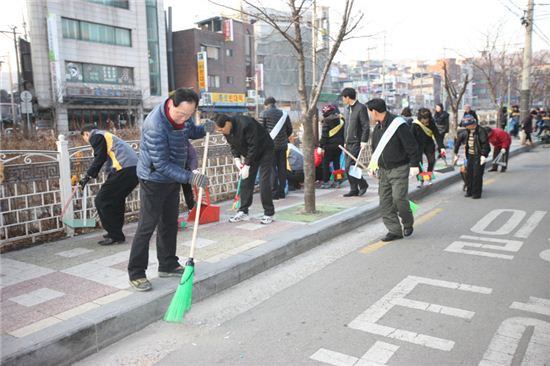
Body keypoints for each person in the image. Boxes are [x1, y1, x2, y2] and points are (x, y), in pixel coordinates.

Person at [127, 88, 213, 292]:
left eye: (189, 115)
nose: (184, 119)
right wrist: (190, 176)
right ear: (170, 104)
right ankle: (136, 273)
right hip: (154, 178)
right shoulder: (155, 125)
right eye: (181, 114)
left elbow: (189, 131)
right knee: (147, 226)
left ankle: (167, 264)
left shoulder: (184, 115)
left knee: (169, 223)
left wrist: (203, 129)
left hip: (173, 177)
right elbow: (162, 164)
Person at [367, 98, 421, 242]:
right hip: (383, 171)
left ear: (374, 111)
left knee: (399, 200)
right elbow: (375, 149)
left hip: (399, 168)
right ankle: (394, 230)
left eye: (370, 112)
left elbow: (412, 146)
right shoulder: (377, 128)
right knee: (385, 203)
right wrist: (373, 165)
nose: (370, 115)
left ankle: (408, 222)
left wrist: (415, 164)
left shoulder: (398, 124)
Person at [80, 126, 139, 245]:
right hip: (133, 169)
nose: (87, 141)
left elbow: (99, 157)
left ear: (86, 134)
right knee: (116, 200)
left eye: (84, 138)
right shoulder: (106, 135)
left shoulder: (96, 136)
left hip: (124, 169)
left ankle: (114, 235)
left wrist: (88, 175)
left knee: (101, 200)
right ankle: (116, 233)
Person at [214, 113, 275, 224]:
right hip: (251, 153)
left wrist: (247, 165)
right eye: (219, 130)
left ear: (228, 123)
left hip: (265, 149)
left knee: (263, 180)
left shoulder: (246, 124)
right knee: (245, 180)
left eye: (221, 129)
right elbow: (233, 145)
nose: (221, 132)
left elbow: (254, 145)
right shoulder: (226, 130)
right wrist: (237, 159)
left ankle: (268, 213)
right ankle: (243, 211)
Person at [260, 97, 293, 200]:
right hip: (283, 145)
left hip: (270, 146)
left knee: (272, 169)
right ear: (275, 103)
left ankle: (274, 193)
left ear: (266, 105)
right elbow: (289, 129)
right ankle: (282, 192)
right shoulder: (283, 114)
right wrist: (283, 137)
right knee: (282, 168)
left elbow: (260, 131)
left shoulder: (264, 114)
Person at [341, 87, 370, 197]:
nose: (343, 100)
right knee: (348, 168)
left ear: (347, 97)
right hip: (347, 143)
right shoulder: (347, 109)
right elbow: (346, 127)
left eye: (343, 98)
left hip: (356, 142)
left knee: (350, 167)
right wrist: (344, 140)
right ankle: (354, 189)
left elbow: (365, 126)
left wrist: (363, 140)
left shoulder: (361, 108)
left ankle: (363, 184)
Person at [453, 115, 490, 199]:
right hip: (470, 155)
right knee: (469, 173)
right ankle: (469, 191)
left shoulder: (481, 131)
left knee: (477, 174)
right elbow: (458, 142)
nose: (466, 127)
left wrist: (484, 155)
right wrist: (455, 153)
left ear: (473, 124)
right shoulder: (465, 132)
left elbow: (485, 144)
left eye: (467, 125)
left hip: (479, 155)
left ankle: (476, 193)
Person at [410, 108, 445, 186]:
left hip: (429, 145)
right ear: (420, 118)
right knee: (419, 164)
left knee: (431, 161)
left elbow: (437, 135)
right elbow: (411, 139)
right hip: (418, 146)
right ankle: (421, 180)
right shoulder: (415, 125)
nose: (426, 120)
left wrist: (441, 147)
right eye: (424, 118)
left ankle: (428, 177)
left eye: (427, 118)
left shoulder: (431, 123)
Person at [319, 104, 345, 189]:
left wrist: (321, 146)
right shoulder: (341, 120)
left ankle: (326, 182)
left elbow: (325, 136)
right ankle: (337, 181)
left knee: (326, 164)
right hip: (339, 146)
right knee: (336, 163)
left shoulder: (326, 121)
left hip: (329, 146)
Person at [181, 143, 198, 210]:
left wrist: (193, 168)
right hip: (173, 171)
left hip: (185, 170)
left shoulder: (185, 142)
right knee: (173, 193)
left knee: (187, 191)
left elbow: (192, 156)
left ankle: (191, 209)